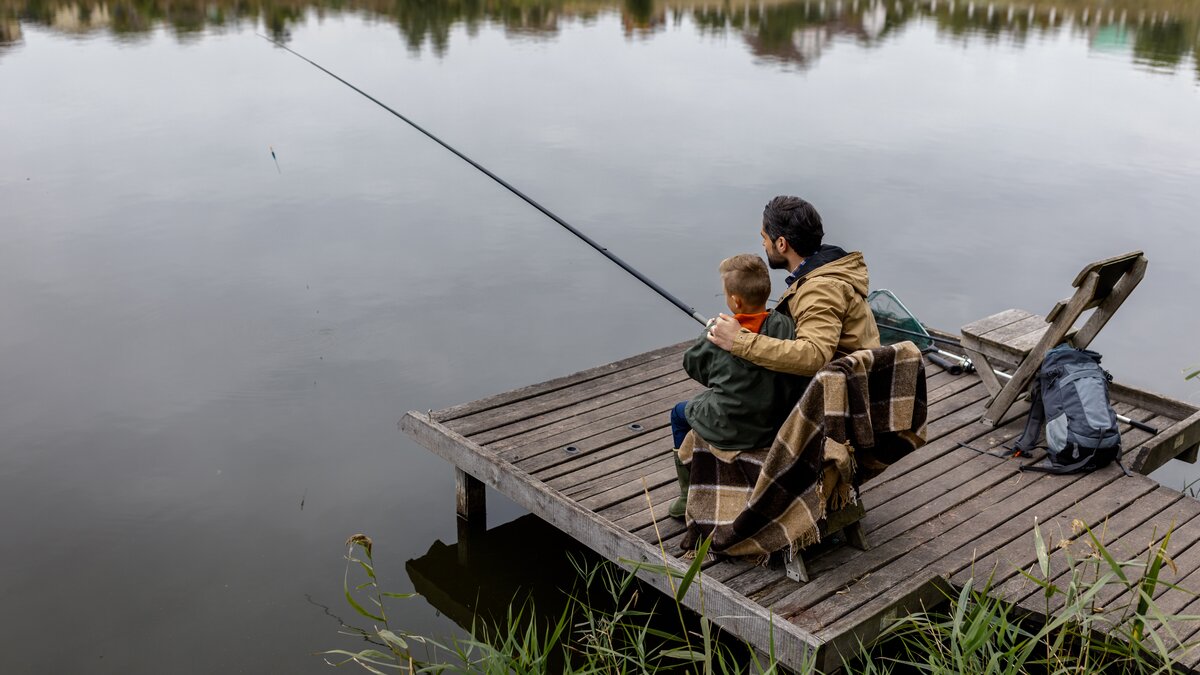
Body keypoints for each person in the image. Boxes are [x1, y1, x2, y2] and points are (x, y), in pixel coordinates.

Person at [668, 254, 805, 518]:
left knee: (678, 414)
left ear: (735, 301)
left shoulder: (718, 335)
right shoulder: (785, 326)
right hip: (773, 424)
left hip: (732, 428)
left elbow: (694, 367)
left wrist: (708, 332)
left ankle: (686, 494)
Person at [706, 195, 880, 376]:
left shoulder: (822, 288)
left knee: (685, 405)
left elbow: (814, 356)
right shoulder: (824, 271)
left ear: (781, 244)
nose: (763, 244)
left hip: (844, 392)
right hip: (847, 379)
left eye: (764, 237)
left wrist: (738, 340)